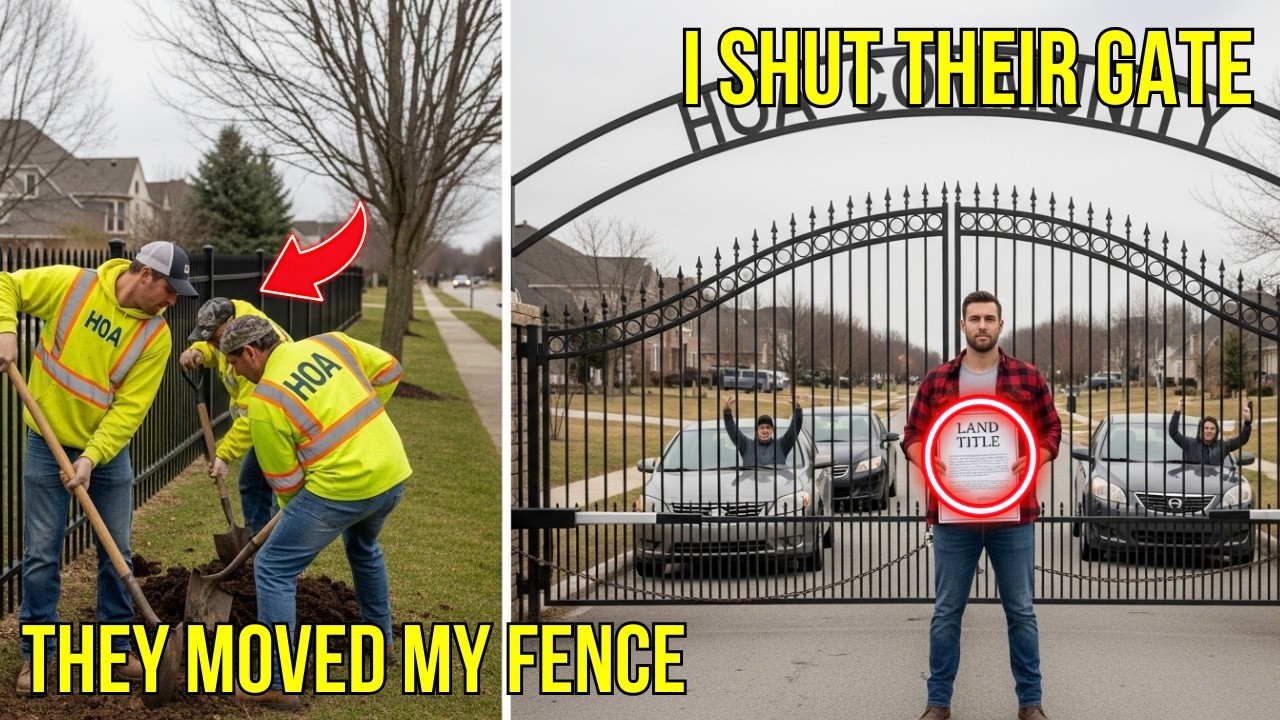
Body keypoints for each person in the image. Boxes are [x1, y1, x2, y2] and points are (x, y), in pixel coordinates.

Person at [0, 241, 198, 695]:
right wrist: (6, 330)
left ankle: (116, 649)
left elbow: (129, 409)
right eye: (170, 290)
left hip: (105, 453)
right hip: (45, 441)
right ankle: (38, 654)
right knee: (42, 554)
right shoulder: (74, 286)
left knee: (117, 552)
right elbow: (6, 284)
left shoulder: (156, 336)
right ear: (145, 275)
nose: (172, 302)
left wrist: (90, 458)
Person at [218, 316, 409, 710]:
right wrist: (364, 427)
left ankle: (277, 683)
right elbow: (390, 370)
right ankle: (381, 641)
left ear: (250, 352)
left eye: (233, 363)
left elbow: (286, 484)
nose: (234, 372)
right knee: (363, 547)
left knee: (273, 566)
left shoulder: (266, 401)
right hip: (392, 473)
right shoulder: (331, 343)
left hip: (344, 488)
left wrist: (292, 525)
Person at [900, 291, 1061, 720]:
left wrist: (1037, 457)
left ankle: (1031, 704)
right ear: (963, 325)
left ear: (1001, 325)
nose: (982, 325)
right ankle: (938, 704)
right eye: (975, 318)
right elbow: (911, 434)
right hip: (954, 517)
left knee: (1021, 612)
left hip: (1013, 516)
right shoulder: (936, 380)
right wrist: (924, 458)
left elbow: (1052, 430)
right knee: (946, 613)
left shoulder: (1028, 377)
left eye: (990, 318)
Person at [179, 297, 292, 534]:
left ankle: (276, 547)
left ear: (230, 322)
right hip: (267, 423)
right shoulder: (232, 331)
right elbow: (216, 348)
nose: (213, 342)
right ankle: (255, 542)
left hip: (282, 425)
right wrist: (199, 351)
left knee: (279, 493)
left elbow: (251, 414)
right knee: (252, 482)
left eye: (214, 337)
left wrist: (224, 454)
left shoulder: (254, 353)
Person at [722, 393, 803, 466]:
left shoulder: (782, 445)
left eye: (768, 427)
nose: (765, 431)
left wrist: (798, 409)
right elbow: (732, 431)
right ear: (756, 431)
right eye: (762, 428)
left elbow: (794, 429)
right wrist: (727, 412)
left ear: (772, 430)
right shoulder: (746, 445)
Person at [1168, 395, 1252, 465]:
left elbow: (1242, 439)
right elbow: (1173, 433)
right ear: (1201, 430)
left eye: (1212, 429)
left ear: (1216, 432)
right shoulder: (1190, 444)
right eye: (1206, 428)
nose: (1209, 431)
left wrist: (1247, 422)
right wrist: (1177, 411)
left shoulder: (1222, 446)